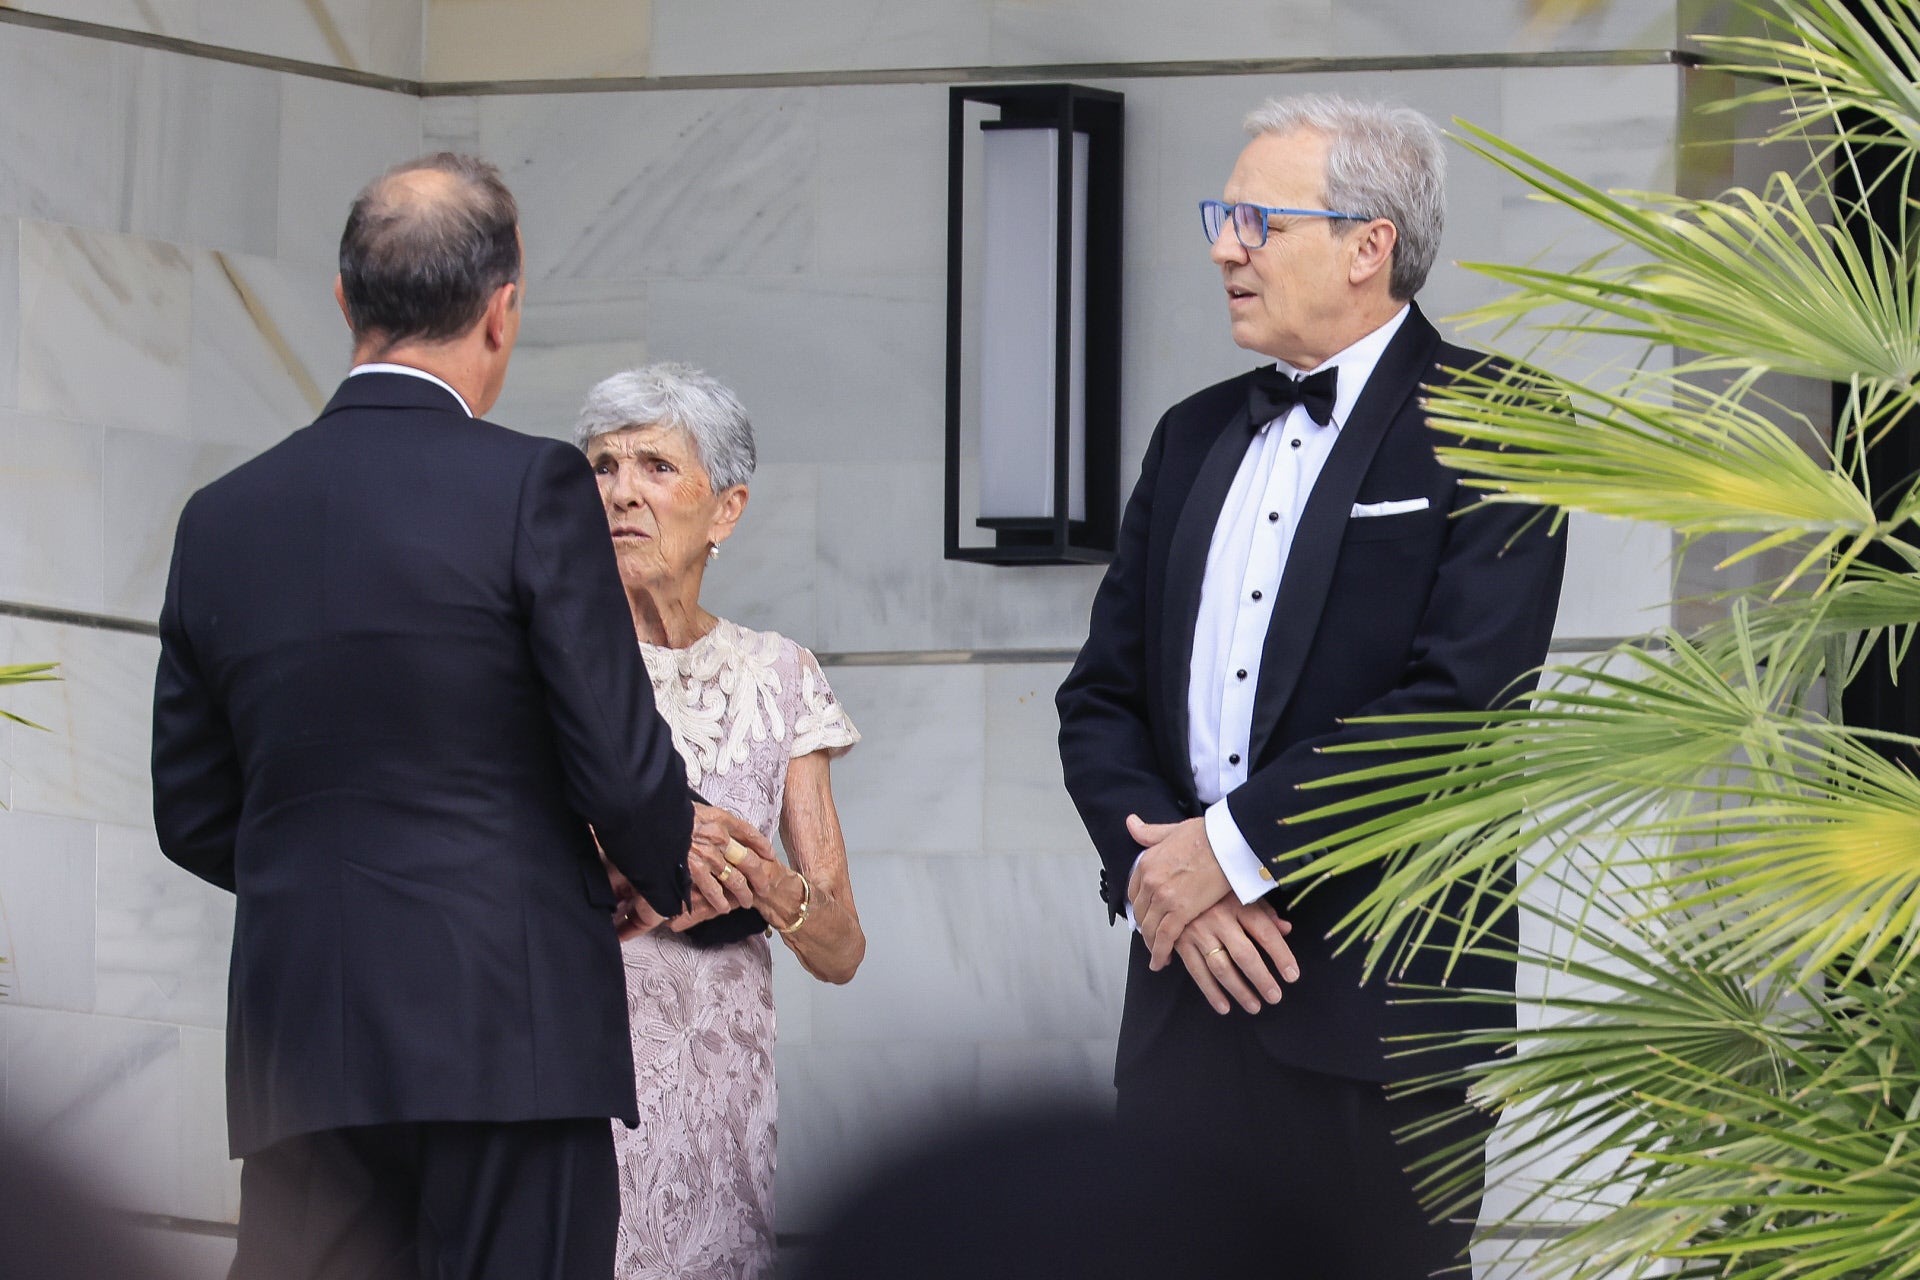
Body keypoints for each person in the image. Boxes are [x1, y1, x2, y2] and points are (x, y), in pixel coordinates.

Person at [150, 154, 769, 1280]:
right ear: (502, 310)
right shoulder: (532, 489)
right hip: (510, 1036)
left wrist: (335, 876)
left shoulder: (219, 518)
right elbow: (626, 773)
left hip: (305, 1051)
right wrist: (624, 868)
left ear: (343, 301)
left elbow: (192, 811)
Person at [1055, 94, 1566, 1277]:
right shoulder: (1188, 436)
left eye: (1254, 220)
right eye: (1222, 217)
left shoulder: (1501, 418)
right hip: (1188, 1000)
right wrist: (1165, 879)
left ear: (1367, 243)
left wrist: (1227, 852)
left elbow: (1462, 707)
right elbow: (1099, 698)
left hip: (1383, 1023)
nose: (1224, 247)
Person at [573, 362, 866, 1279]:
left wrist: (769, 885)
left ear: (726, 508)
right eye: (601, 467)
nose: (622, 493)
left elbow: (842, 948)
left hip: (720, 1098)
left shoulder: (781, 673)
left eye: (656, 467)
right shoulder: (546, 661)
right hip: (575, 1074)